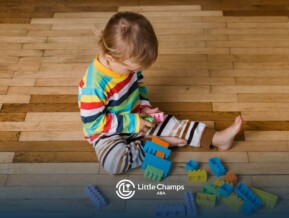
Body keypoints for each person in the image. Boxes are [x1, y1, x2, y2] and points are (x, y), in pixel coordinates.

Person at [78, 11, 243, 175]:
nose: (133, 73)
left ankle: (218, 139)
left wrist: (144, 106)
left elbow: (138, 86)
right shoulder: (93, 87)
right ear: (109, 58)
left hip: (137, 116)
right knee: (114, 163)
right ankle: (158, 143)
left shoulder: (126, 64)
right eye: (130, 69)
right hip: (107, 131)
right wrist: (134, 122)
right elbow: (93, 124)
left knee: (172, 124)